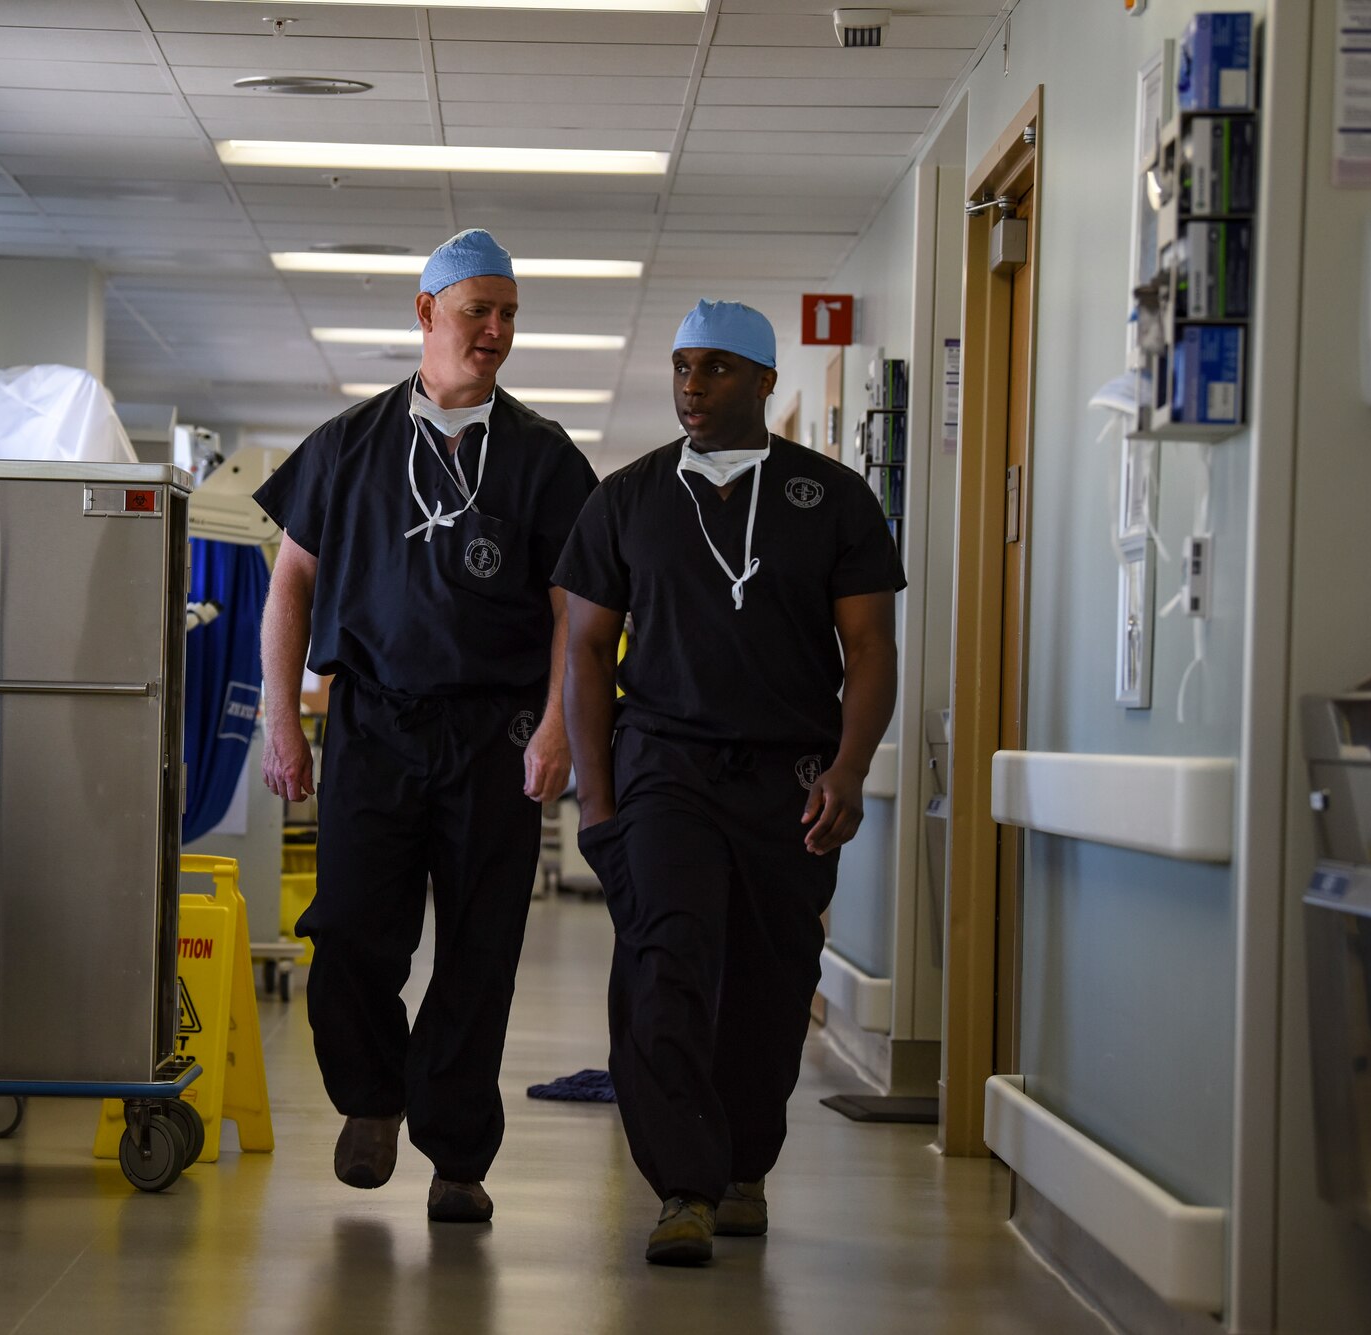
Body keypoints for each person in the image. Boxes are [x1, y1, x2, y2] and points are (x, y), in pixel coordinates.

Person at [254, 228, 599, 1224]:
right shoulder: (348, 446)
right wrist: (283, 719)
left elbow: (568, 612)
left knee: (479, 948)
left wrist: (557, 732)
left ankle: (455, 1154)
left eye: (506, 317)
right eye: (474, 313)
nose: (492, 333)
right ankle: (370, 1098)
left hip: (492, 734)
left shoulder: (539, 457)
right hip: (370, 725)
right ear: (423, 314)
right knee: (352, 932)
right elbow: (290, 589)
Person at [553, 300, 902, 1265]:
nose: (691, 388)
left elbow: (871, 646)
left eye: (713, 370)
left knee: (768, 980)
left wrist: (850, 766)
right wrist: (600, 796)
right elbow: (584, 649)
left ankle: (745, 1166)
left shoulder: (832, 498)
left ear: (762, 382)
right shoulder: (624, 499)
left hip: (788, 776)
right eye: (680, 369)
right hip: (663, 766)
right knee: (664, 969)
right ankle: (683, 1187)